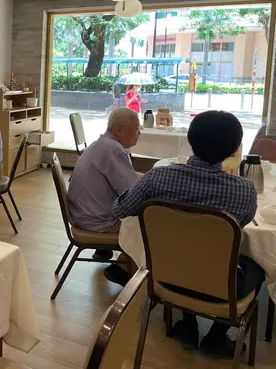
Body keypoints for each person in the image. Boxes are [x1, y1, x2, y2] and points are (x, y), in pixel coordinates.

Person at [113, 111, 263, 359]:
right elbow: (241, 229)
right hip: (222, 286)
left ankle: (188, 324)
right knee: (258, 262)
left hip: (165, 275)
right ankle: (216, 336)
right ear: (235, 148)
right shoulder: (244, 191)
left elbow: (120, 210)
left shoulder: (158, 177)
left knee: (182, 251)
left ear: (190, 140)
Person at [67, 108, 141, 278]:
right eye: (136, 128)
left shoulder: (103, 144)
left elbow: (124, 176)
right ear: (119, 130)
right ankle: (123, 270)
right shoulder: (113, 150)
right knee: (151, 221)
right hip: (98, 221)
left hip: (82, 214)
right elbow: (132, 193)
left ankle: (121, 263)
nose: (139, 133)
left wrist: (147, 177)